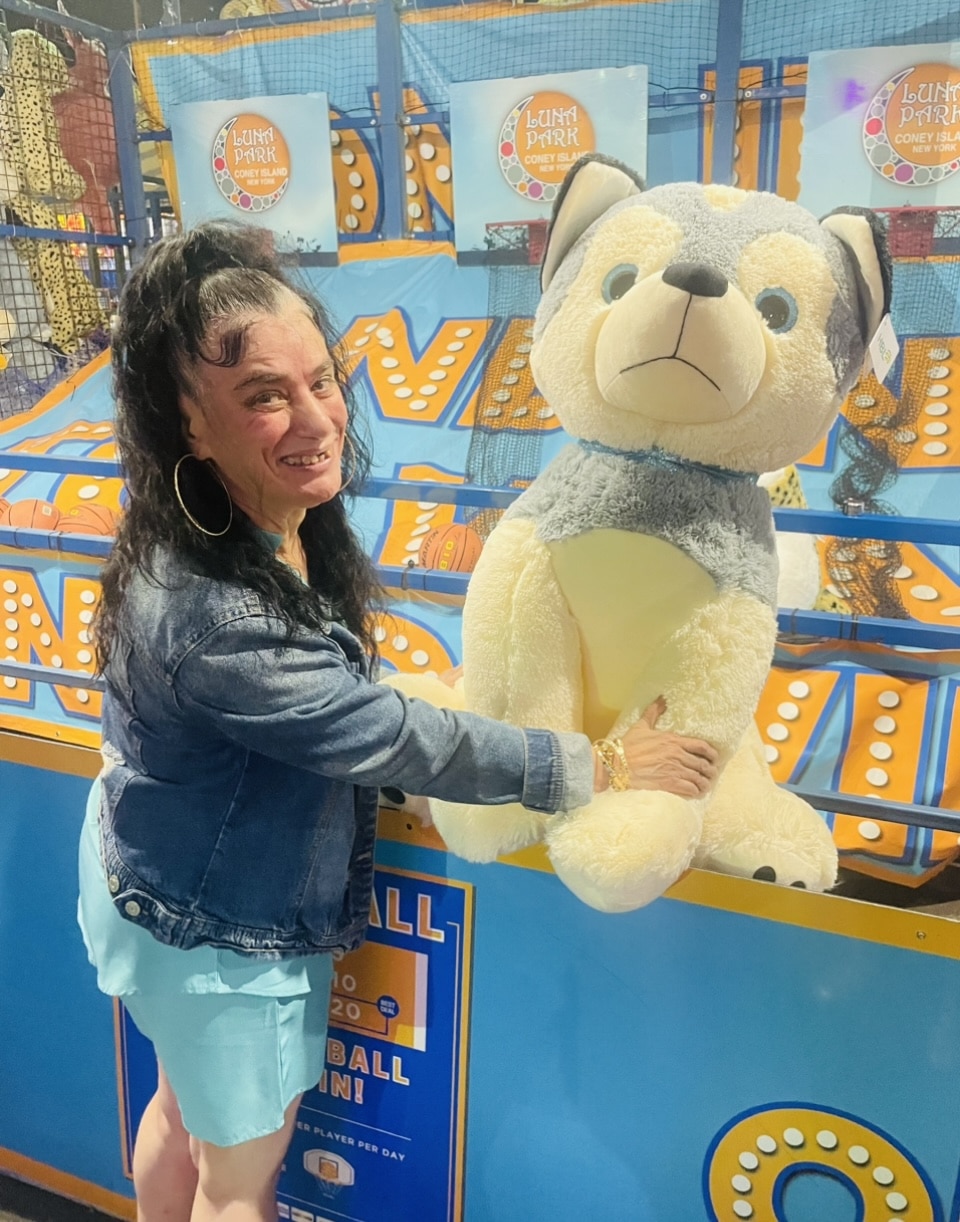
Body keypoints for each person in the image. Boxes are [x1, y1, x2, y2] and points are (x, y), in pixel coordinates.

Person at [79, 221, 719, 1222]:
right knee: (238, 1182)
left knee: (180, 1108)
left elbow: (335, 710)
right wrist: (599, 763)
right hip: (217, 935)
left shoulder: (217, 526)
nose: (314, 416)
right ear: (188, 423)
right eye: (264, 396)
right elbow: (393, 736)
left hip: (157, 885)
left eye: (322, 381)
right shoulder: (218, 615)